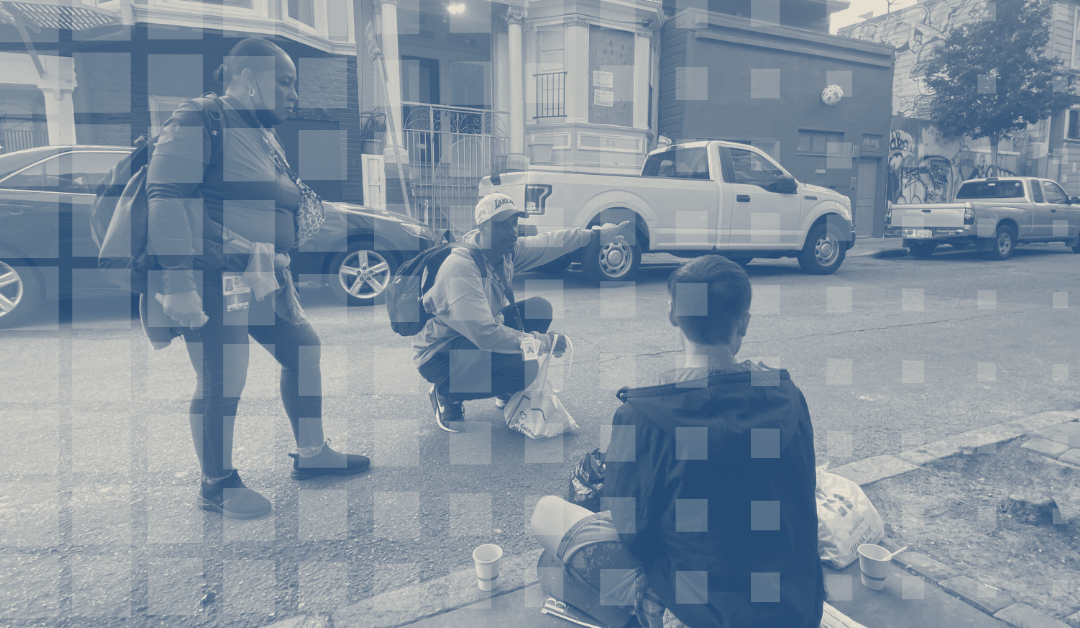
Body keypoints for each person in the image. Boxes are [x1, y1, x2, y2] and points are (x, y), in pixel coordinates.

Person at [530, 255, 825, 628]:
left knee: (546, 512)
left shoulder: (645, 415)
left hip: (701, 613)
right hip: (796, 609)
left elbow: (631, 531)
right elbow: (801, 492)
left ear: (672, 313)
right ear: (744, 323)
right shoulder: (788, 395)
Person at [146, 37, 370, 520]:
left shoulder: (259, 130)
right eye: (286, 83)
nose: (295, 95)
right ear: (249, 81)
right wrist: (179, 283)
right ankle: (216, 484)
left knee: (302, 348)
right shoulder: (198, 118)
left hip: (260, 275)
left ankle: (313, 454)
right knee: (222, 380)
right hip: (210, 278)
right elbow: (165, 194)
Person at [414, 192, 627, 433]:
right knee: (525, 369)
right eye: (502, 224)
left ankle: (504, 386)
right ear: (482, 228)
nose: (512, 230)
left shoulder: (505, 253)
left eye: (514, 223)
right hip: (440, 353)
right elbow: (485, 334)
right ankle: (447, 393)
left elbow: (550, 242)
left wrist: (596, 235)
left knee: (539, 309)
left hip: (472, 336)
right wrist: (543, 341)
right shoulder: (462, 267)